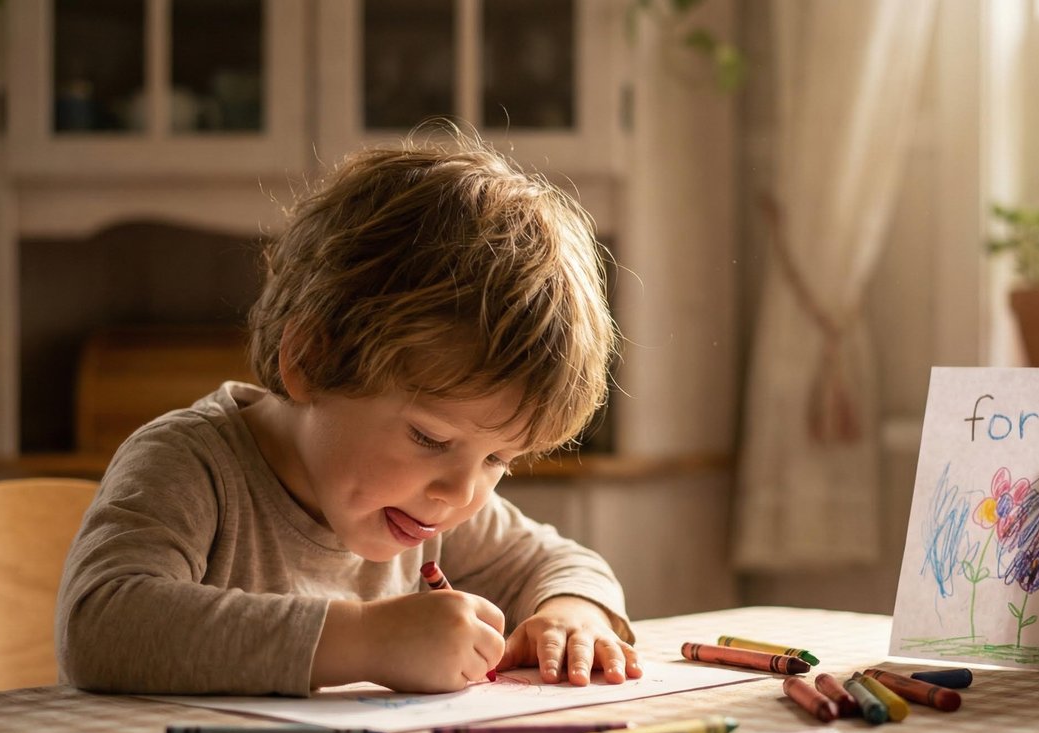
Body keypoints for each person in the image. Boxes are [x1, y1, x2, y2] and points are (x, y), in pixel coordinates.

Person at [55, 127, 641, 696]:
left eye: (498, 460)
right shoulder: (190, 466)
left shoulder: (423, 510)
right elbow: (100, 625)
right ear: (311, 361)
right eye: (430, 438)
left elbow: (562, 561)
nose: (462, 493)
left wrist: (574, 614)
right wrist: (365, 640)